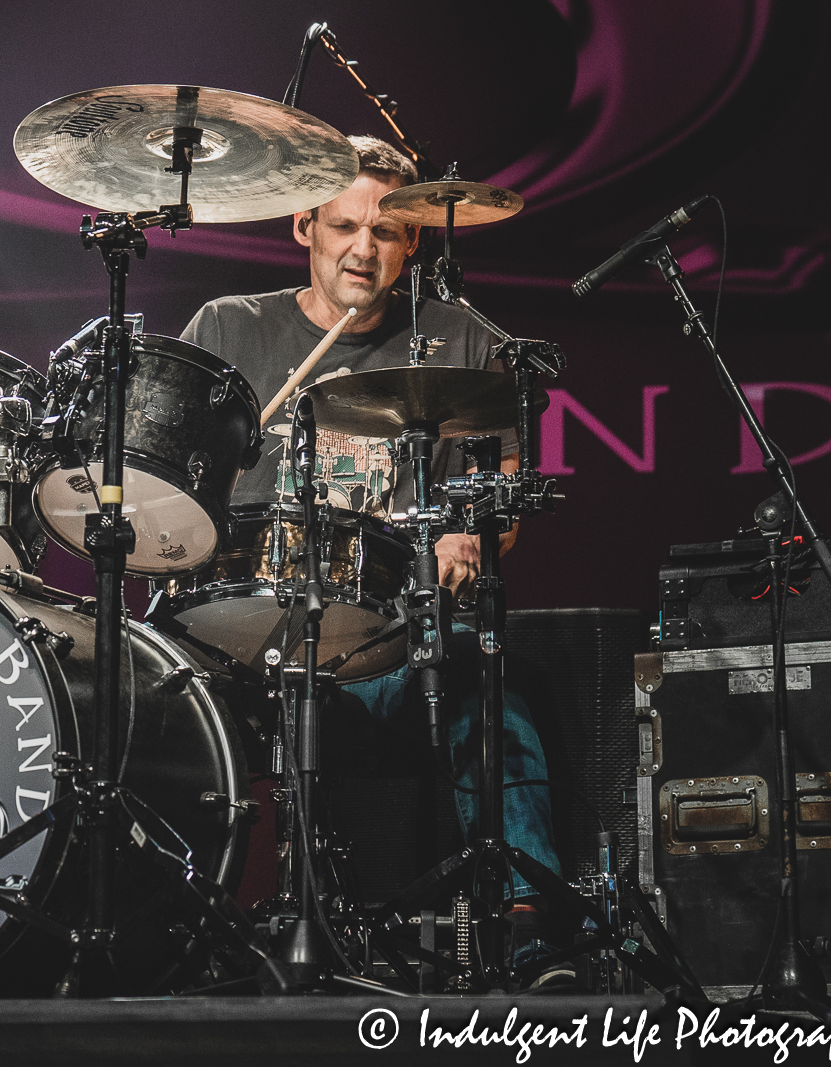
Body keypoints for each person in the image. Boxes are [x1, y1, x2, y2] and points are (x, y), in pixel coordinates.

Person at [177, 135, 563, 966]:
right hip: (243, 639)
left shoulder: (461, 341)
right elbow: (175, 489)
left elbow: (503, 497)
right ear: (303, 223)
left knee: (485, 679)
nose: (363, 249)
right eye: (344, 226)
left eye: (385, 232)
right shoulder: (229, 327)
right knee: (154, 697)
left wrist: (471, 537)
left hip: (393, 640)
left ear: (413, 240)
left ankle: (529, 919)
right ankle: (168, 924)